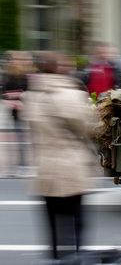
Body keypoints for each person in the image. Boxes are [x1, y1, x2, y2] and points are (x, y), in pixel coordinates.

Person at [25, 52, 97, 261]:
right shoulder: (70, 94)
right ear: (59, 68)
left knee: (52, 223)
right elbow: (84, 127)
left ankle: (57, 256)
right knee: (77, 220)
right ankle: (75, 257)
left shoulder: (32, 95)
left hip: (44, 165)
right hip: (70, 166)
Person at [1, 51, 34, 177]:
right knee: (16, 139)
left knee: (23, 139)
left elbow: (29, 92)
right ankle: (13, 166)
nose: (15, 62)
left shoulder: (26, 75)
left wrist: (17, 96)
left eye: (17, 60)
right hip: (13, 112)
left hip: (25, 111)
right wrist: (9, 100)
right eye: (13, 60)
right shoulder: (8, 75)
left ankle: (22, 166)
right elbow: (4, 92)